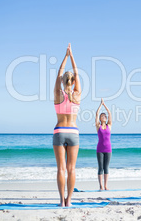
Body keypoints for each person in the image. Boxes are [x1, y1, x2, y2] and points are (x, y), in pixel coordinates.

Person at [53, 43, 81, 207]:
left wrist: (65, 56)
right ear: (73, 82)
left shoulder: (58, 94)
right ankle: (69, 201)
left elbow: (58, 74)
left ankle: (61, 201)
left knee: (61, 169)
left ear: (63, 81)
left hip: (59, 131)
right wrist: (72, 56)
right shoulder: (77, 94)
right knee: (71, 169)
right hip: (73, 132)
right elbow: (76, 73)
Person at [95, 98, 112, 191]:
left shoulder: (109, 125)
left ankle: (105, 185)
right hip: (100, 149)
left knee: (106, 168)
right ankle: (100, 186)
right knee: (100, 167)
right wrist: (100, 105)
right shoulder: (98, 126)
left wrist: (105, 105)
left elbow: (109, 113)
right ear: (100, 119)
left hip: (108, 149)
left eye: (104, 116)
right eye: (102, 116)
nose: (104, 117)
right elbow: (96, 114)